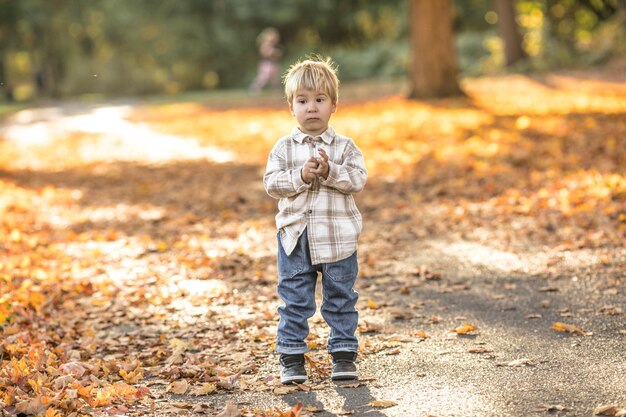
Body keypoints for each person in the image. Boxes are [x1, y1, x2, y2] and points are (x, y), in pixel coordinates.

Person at [263, 56, 368, 384]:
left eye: (319, 100)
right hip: (296, 238)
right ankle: (292, 357)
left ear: (333, 105)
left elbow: (358, 179)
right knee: (294, 297)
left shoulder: (345, 147)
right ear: (291, 107)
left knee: (340, 296)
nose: (312, 108)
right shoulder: (283, 149)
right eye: (303, 101)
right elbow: (271, 183)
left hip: (338, 237)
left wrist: (330, 171)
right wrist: (301, 175)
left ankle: (343, 353)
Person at [249, 27, 282, 94]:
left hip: (273, 63)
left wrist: (275, 53)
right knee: (264, 77)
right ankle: (255, 88)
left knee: (275, 78)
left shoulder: (274, 46)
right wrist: (273, 52)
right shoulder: (265, 44)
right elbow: (265, 52)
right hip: (266, 64)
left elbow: (277, 54)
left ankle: (276, 90)